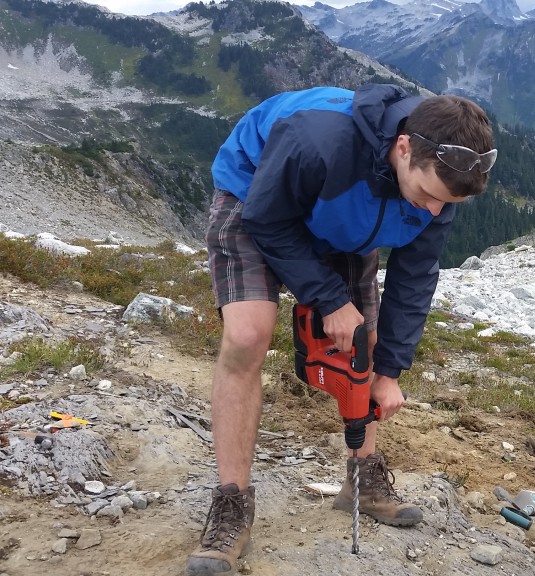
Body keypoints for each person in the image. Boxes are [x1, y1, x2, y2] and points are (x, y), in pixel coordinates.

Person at [186, 83, 495, 576]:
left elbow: (413, 281)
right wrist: (328, 298)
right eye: (427, 196)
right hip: (260, 197)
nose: (433, 212)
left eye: (445, 205)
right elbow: (266, 219)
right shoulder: (317, 140)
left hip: (347, 216)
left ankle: (363, 479)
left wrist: (389, 371)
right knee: (247, 336)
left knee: (363, 343)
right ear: (404, 148)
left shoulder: (443, 183)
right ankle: (231, 503)